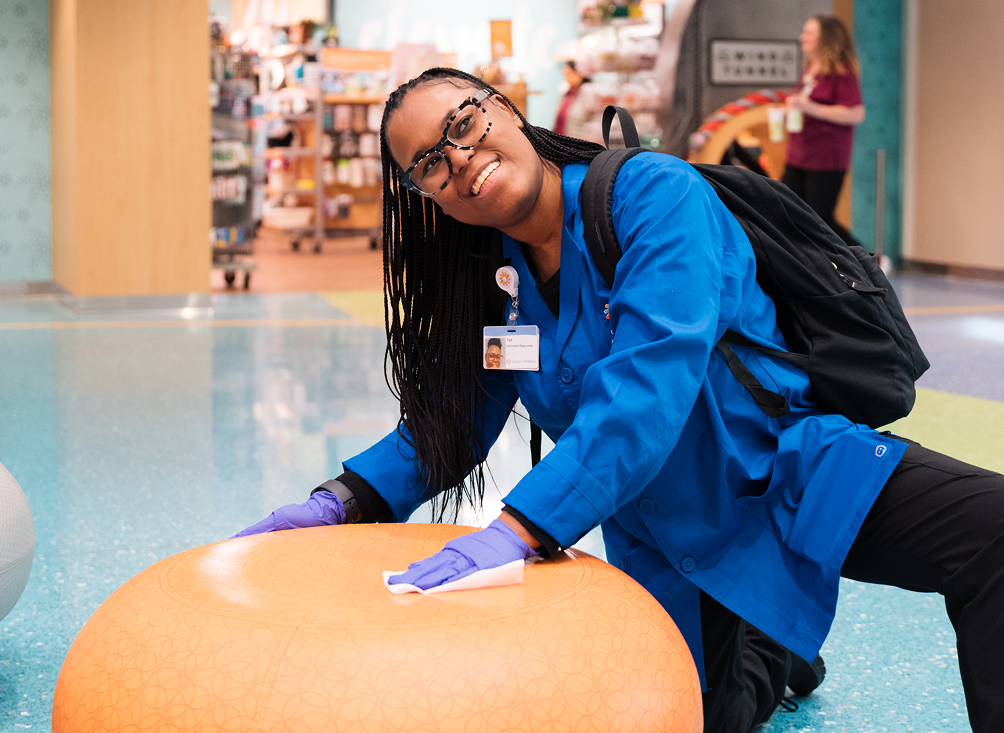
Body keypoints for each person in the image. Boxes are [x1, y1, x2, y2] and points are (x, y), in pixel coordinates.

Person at [234, 67, 1004, 733]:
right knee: (708, 716)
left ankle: (770, 632)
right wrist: (344, 498)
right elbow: (454, 419)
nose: (460, 160)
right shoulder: (496, 284)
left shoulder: (652, 194)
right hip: (665, 537)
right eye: (430, 164)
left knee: (991, 534)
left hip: (785, 475)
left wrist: (523, 525)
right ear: (425, 195)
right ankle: (776, 649)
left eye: (463, 125)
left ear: (502, 107)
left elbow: (651, 379)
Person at [782, 15, 865, 249]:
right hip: (799, 155)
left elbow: (856, 113)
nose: (802, 37)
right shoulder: (809, 71)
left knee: (820, 219)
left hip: (826, 158)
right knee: (784, 209)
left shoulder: (841, 72)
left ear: (825, 38)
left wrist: (812, 108)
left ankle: (869, 259)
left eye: (809, 32)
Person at [553, 61, 596, 140]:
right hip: (561, 143)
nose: (566, 78)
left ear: (579, 73)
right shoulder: (566, 94)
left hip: (578, 144)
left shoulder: (588, 94)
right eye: (565, 75)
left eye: (569, 74)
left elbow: (594, 122)